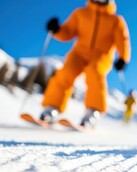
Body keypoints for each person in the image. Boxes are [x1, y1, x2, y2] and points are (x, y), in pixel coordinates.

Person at [40, 0, 131, 128]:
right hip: (78, 53)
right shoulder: (81, 13)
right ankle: (51, 108)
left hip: (101, 56)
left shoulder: (116, 21)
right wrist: (57, 30)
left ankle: (93, 112)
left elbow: (123, 41)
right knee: (66, 71)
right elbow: (68, 32)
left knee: (95, 72)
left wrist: (123, 58)